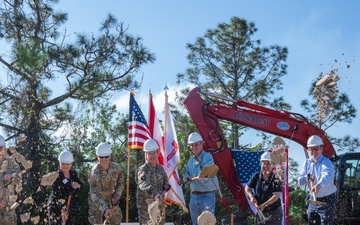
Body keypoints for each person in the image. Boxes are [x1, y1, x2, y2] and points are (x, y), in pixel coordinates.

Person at [298, 135, 337, 225]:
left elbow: (327, 176)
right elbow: (300, 181)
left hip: (327, 200)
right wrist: (306, 178)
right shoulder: (307, 163)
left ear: (321, 149)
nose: (314, 152)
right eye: (311, 149)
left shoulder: (327, 162)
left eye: (316, 149)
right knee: (312, 222)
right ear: (308, 150)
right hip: (312, 200)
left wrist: (318, 185)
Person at [183, 132, 219, 225]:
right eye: (191, 145)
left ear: (202, 143)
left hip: (207, 196)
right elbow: (186, 175)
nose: (194, 147)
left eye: (196, 144)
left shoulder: (207, 157)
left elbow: (207, 174)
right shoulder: (190, 160)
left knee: (207, 223)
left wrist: (202, 177)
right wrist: (187, 179)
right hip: (194, 196)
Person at [136, 139, 171, 225]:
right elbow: (143, 184)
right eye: (149, 153)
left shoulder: (160, 169)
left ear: (157, 153)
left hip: (159, 206)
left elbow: (166, 181)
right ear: (146, 155)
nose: (152, 156)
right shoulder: (142, 170)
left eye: (154, 153)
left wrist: (166, 185)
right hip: (146, 208)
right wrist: (154, 194)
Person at [88, 142, 124, 225]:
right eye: (101, 157)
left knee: (116, 221)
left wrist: (116, 196)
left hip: (111, 199)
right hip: (97, 202)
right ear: (97, 157)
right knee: (96, 222)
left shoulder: (117, 169)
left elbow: (121, 184)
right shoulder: (94, 173)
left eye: (106, 156)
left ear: (110, 156)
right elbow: (95, 194)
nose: (104, 159)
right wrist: (105, 209)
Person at [245, 151, 283, 225]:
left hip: (273, 213)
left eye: (268, 163)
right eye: (264, 163)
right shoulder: (256, 176)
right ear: (260, 164)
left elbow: (275, 196)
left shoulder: (275, 179)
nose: (266, 166)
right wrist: (251, 197)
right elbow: (247, 188)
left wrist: (264, 205)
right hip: (260, 211)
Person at [47, 150, 83, 225]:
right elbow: (56, 194)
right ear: (59, 162)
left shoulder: (73, 174)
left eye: (67, 164)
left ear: (71, 164)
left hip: (70, 207)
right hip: (56, 207)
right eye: (63, 164)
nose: (65, 166)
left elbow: (82, 186)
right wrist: (62, 211)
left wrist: (78, 185)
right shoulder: (56, 176)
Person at [0, 135, 21, 225]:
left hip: (8, 206)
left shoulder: (11, 162)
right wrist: (2, 176)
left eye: (1, 148)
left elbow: (19, 177)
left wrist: (11, 177)